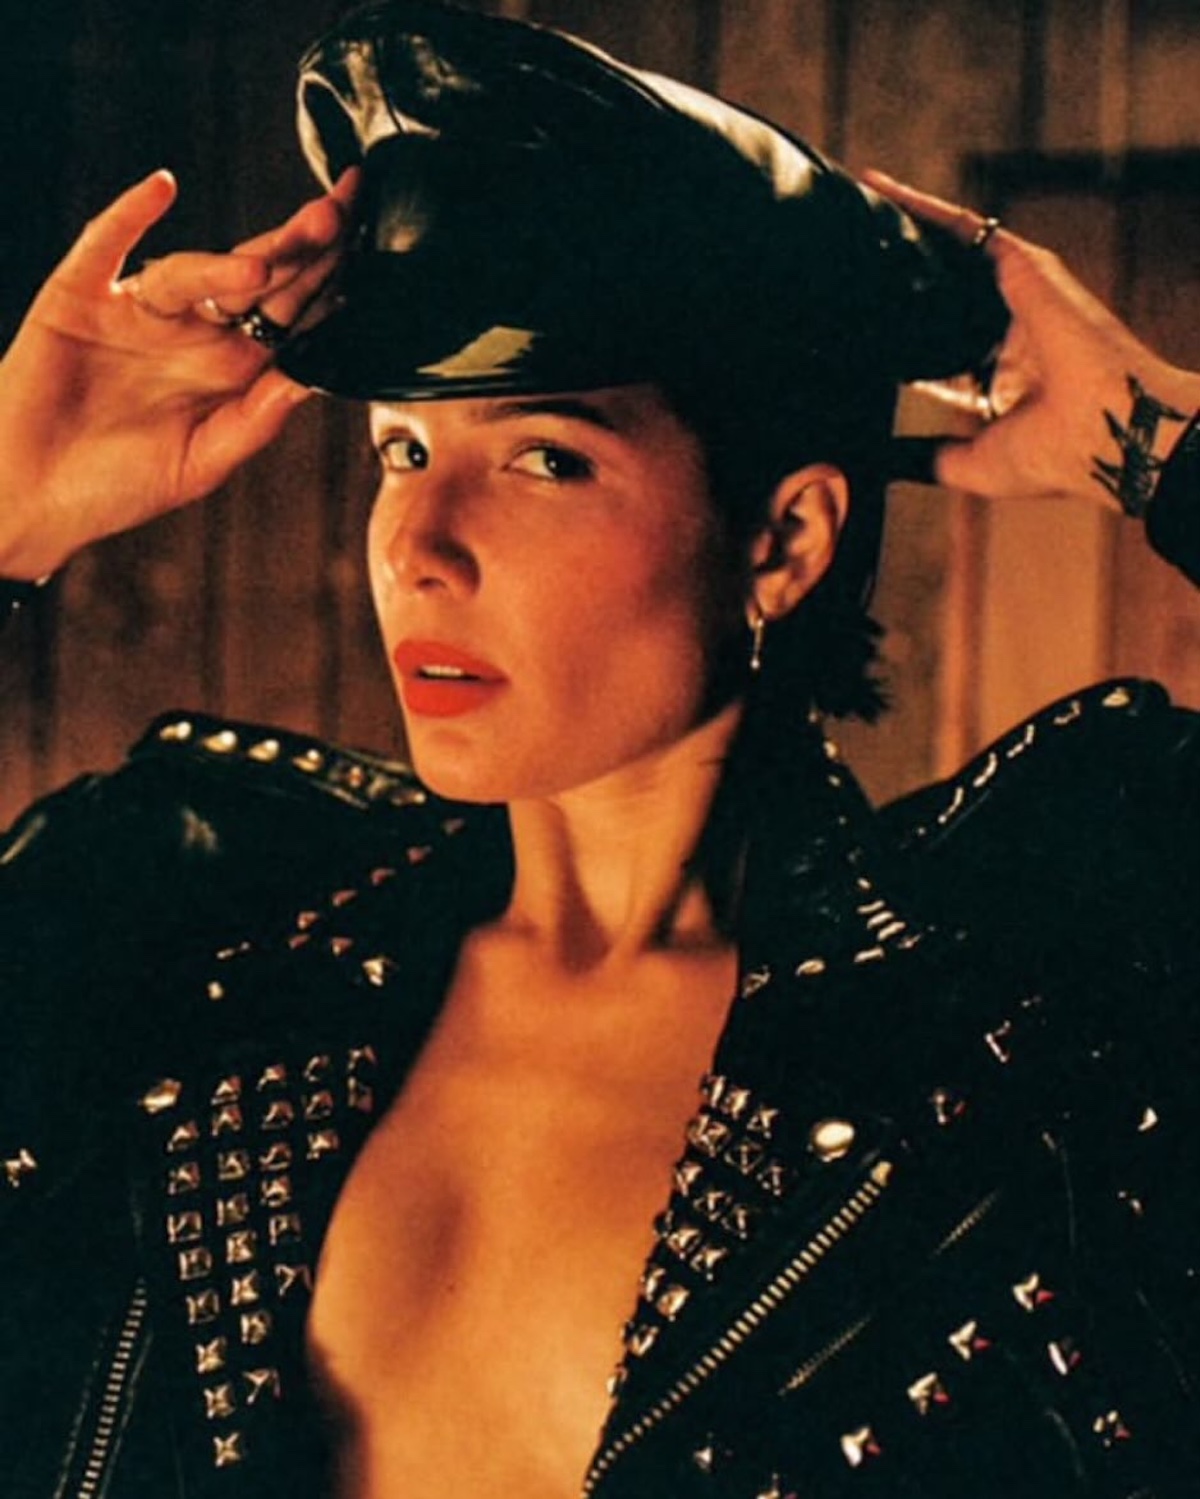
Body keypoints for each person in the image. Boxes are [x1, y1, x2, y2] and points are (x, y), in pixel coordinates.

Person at [1, 4, 1198, 1498]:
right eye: (403, 451)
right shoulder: (181, 924)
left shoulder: (1040, 1006)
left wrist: (1158, 440)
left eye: (544, 459)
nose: (421, 546)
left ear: (783, 542)